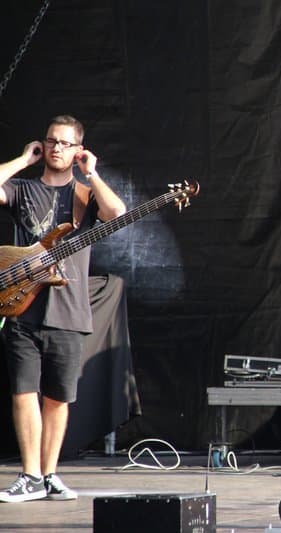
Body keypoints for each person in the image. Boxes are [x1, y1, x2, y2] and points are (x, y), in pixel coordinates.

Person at [0, 115, 126, 502]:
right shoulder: (22, 189)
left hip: (69, 310)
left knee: (57, 397)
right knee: (24, 391)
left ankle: (49, 474)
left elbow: (117, 213)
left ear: (78, 150)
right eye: (51, 141)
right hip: (23, 307)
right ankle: (30, 475)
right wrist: (23, 160)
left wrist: (92, 174)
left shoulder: (84, 195)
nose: (56, 148)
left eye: (65, 143)